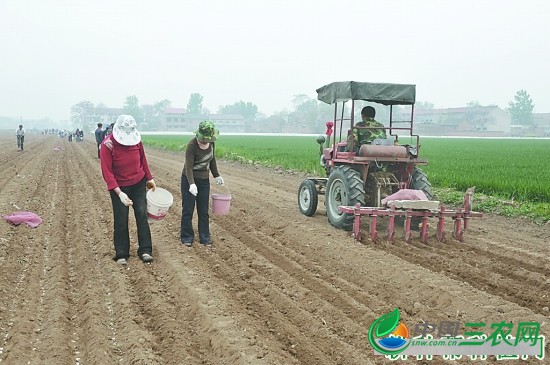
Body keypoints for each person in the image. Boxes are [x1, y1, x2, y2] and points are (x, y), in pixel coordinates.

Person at [100, 115, 156, 265]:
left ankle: (145, 250)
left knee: (141, 215)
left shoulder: (136, 140)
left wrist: (149, 178)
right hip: (119, 185)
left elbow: (143, 159)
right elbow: (107, 172)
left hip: (138, 182)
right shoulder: (107, 145)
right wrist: (119, 193)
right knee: (121, 218)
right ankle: (122, 253)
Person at [180, 120, 224, 248]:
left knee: (203, 211)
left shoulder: (211, 144)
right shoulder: (192, 145)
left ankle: (205, 237)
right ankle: (187, 237)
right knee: (188, 209)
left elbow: (212, 159)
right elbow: (188, 167)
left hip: (204, 181)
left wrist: (216, 175)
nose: (203, 141)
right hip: (189, 179)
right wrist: (191, 184)